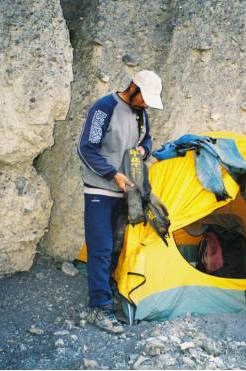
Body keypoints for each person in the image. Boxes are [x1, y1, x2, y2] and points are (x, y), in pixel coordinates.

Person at [76, 70, 164, 333]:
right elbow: (85, 148)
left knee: (115, 246)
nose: (147, 104)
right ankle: (98, 307)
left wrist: (143, 150)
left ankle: (107, 290)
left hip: (127, 193)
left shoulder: (140, 113)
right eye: (145, 98)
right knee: (100, 248)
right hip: (100, 191)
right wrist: (112, 174)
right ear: (133, 88)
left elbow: (146, 139)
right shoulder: (104, 108)